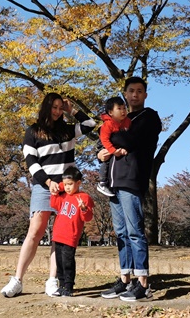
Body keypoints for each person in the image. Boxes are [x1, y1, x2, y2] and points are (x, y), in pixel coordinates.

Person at [0, 93, 95, 298]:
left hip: (67, 188)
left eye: (61, 107)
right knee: (35, 231)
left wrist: (73, 110)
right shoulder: (33, 131)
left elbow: (90, 124)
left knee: (59, 237)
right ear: (46, 107)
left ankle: (53, 280)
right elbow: (31, 162)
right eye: (54, 107)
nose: (57, 111)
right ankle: (17, 280)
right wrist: (48, 182)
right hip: (44, 187)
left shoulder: (68, 131)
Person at [98, 77, 161, 302]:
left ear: (145, 95)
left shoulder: (149, 117)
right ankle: (125, 279)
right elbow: (103, 144)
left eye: (140, 91)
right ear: (124, 94)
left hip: (132, 180)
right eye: (131, 91)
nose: (135, 95)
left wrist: (106, 136)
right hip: (113, 183)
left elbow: (128, 140)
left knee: (135, 231)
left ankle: (143, 283)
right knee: (121, 233)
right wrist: (101, 151)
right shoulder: (118, 120)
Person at [49, 167, 95, 297]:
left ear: (79, 183)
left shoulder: (84, 197)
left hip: (71, 236)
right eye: (66, 184)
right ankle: (61, 285)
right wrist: (60, 187)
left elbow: (88, 218)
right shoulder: (63, 196)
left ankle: (68, 286)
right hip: (58, 234)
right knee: (59, 261)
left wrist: (84, 208)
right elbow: (54, 203)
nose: (68, 187)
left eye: (70, 184)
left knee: (67, 261)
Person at [95, 96, 131, 197]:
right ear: (111, 112)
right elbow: (104, 140)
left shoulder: (127, 121)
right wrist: (113, 151)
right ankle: (102, 182)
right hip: (106, 145)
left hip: (116, 147)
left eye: (124, 108)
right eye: (119, 109)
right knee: (106, 161)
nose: (123, 111)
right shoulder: (108, 124)